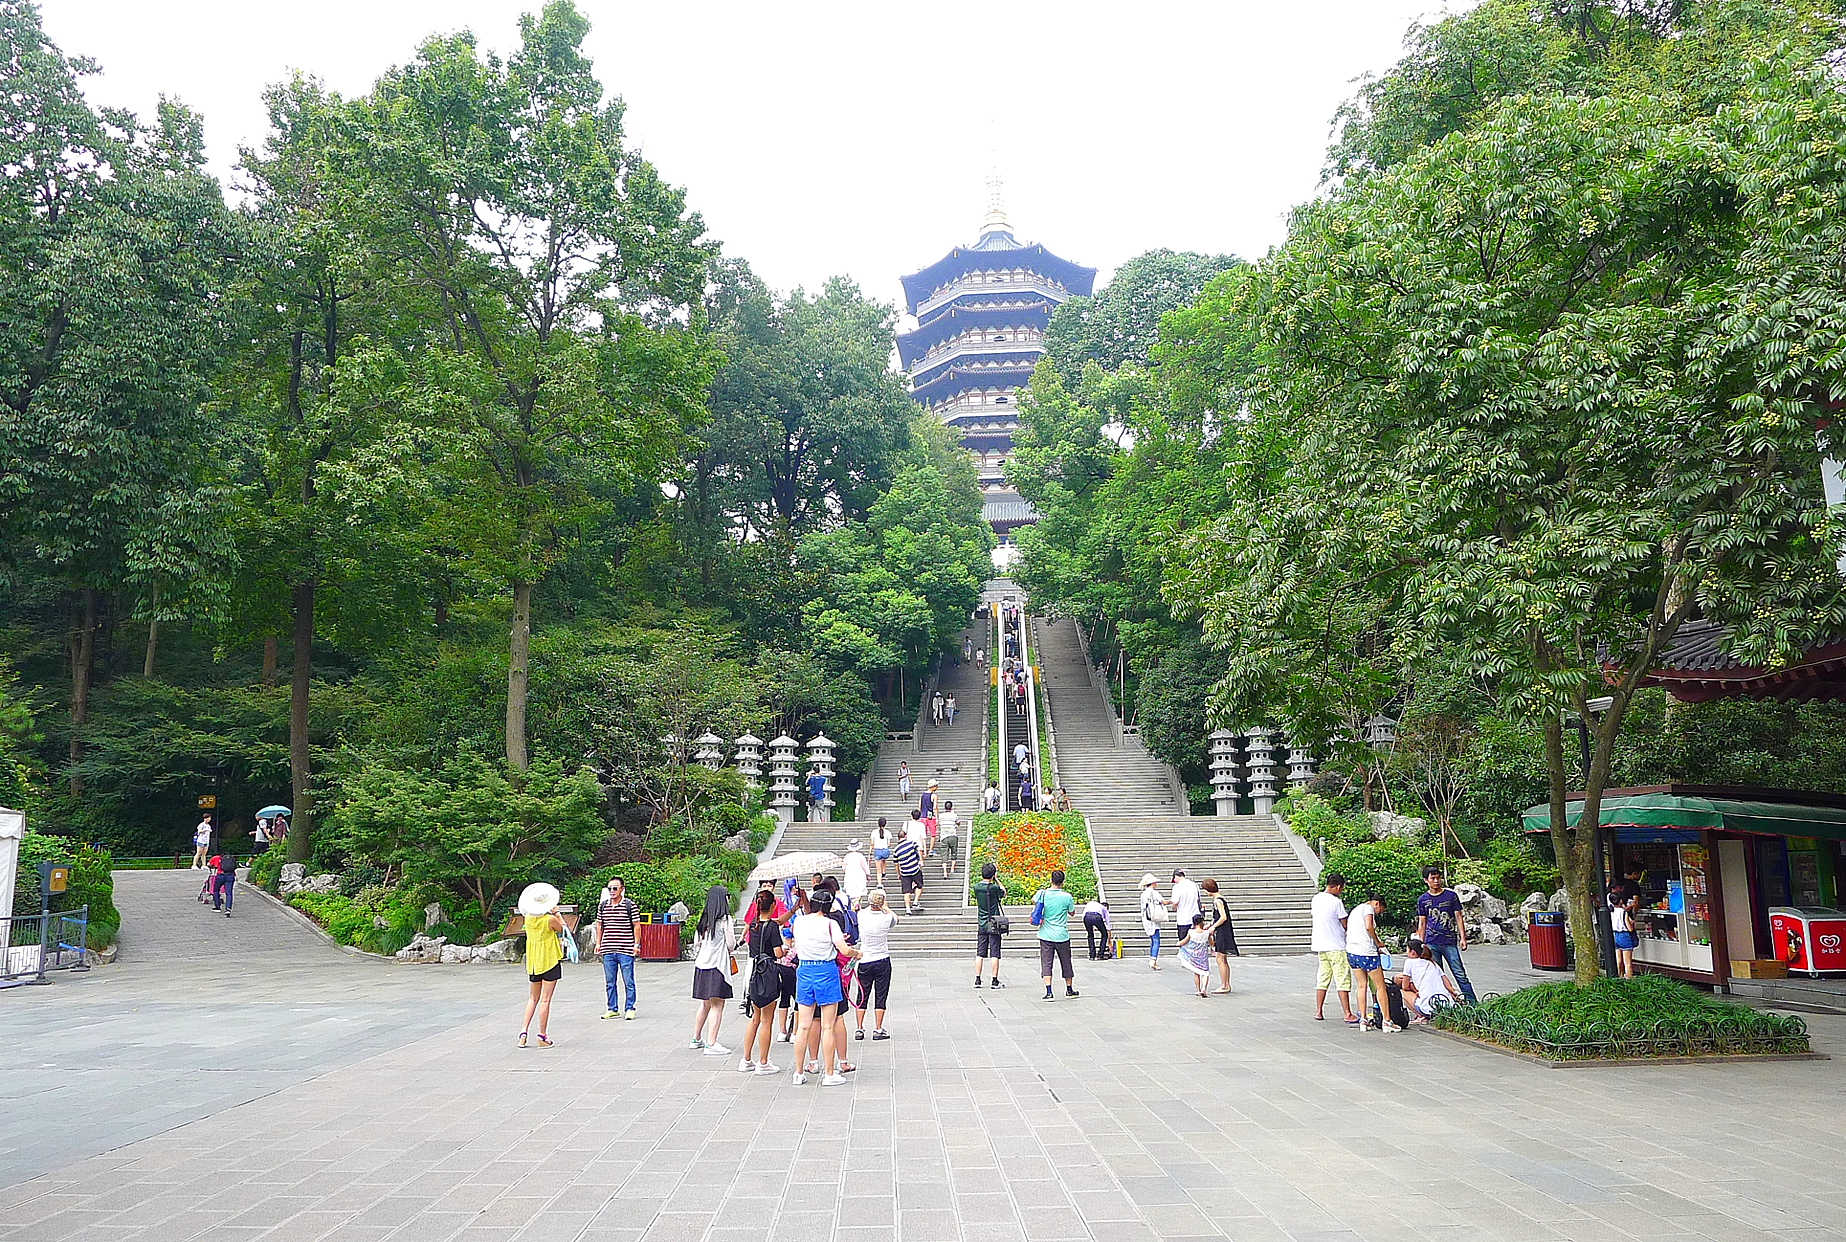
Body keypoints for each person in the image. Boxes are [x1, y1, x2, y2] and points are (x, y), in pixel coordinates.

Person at [790, 889, 858, 1086]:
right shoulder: (831, 924)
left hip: (804, 971)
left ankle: (799, 1072)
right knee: (828, 1025)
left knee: (803, 1025)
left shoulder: (799, 922)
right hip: (826, 971)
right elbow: (844, 950)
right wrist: (856, 952)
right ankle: (829, 1073)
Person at [1414, 867, 1477, 1003]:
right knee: (1436, 974)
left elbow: (1459, 917)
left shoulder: (1451, 896)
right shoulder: (1423, 900)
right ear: (1426, 880)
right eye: (1433, 878)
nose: (1436, 881)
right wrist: (1421, 942)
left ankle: (1472, 1003)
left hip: (1449, 941)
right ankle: (1443, 1003)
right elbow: (1422, 922)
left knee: (1460, 973)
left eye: (1438, 877)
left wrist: (1463, 938)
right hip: (1431, 942)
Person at [740, 890, 786, 1073]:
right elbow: (778, 953)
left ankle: (746, 1059)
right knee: (767, 1020)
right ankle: (763, 1062)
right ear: (773, 905)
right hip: (766, 974)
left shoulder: (753, 925)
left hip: (752, 973)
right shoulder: (772, 927)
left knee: (755, 1018)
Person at [688, 885, 737, 1056]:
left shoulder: (704, 921)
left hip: (702, 965)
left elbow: (697, 942)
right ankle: (711, 1042)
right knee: (718, 1004)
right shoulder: (725, 920)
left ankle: (696, 1038)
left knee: (705, 1003)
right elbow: (731, 945)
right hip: (717, 967)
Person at [518, 882, 565, 1049]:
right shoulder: (550, 919)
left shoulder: (528, 919)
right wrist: (557, 913)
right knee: (545, 1000)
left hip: (533, 962)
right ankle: (542, 1035)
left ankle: (523, 1033)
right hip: (550, 960)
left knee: (532, 998)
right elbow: (563, 929)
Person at [1347, 893, 1399, 1033]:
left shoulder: (1356, 909)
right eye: (1380, 909)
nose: (1379, 912)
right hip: (1367, 952)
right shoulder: (1368, 909)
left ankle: (1363, 1019)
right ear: (1377, 904)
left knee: (1361, 985)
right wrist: (1379, 943)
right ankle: (1387, 1021)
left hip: (1352, 951)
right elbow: (1369, 927)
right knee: (1380, 987)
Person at [1311, 872, 1357, 1024]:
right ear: (1338, 887)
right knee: (1342, 979)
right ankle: (1347, 1013)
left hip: (1320, 945)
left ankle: (1319, 1011)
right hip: (1336, 946)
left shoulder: (1316, 899)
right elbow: (1345, 924)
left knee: (1322, 978)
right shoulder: (1336, 902)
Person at [853, 889, 898, 1041]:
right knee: (881, 994)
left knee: (862, 994)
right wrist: (886, 907)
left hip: (865, 959)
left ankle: (859, 1028)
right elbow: (896, 919)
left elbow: (861, 911)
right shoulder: (887, 918)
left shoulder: (861, 915)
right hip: (882, 959)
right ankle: (878, 1028)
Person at [593, 877, 640, 1020]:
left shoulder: (629, 905)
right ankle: (612, 1008)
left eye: (615, 888)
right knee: (610, 981)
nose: (612, 891)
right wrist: (598, 943)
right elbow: (600, 925)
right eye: (609, 889)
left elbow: (637, 925)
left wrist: (636, 944)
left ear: (622, 889)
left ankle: (630, 1007)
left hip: (625, 948)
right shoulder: (603, 906)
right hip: (608, 948)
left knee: (628, 980)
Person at [1034, 869, 1078, 1000]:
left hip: (1045, 934)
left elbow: (1035, 901)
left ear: (1051, 880)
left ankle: (1049, 991)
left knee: (1047, 962)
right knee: (1066, 961)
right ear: (1063, 882)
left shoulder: (1042, 894)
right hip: (1062, 935)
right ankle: (1069, 989)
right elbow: (1072, 912)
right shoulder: (1066, 897)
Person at [1395, 938, 1460, 1022]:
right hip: (1446, 1006)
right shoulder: (1432, 963)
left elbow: (1405, 986)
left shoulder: (1409, 962)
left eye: (1407, 950)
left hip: (1428, 1007)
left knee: (1402, 992)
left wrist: (1415, 991)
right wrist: (1454, 992)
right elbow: (1448, 984)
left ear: (1413, 952)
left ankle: (1421, 1016)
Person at [1200, 878, 1237, 994]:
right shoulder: (1220, 899)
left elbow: (1223, 917)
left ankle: (1224, 985)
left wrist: (1213, 927)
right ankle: (1226, 984)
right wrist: (1210, 924)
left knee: (1220, 958)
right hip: (1224, 930)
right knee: (1223, 959)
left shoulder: (1217, 901)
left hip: (1222, 931)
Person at [973, 862, 1006, 988]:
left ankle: (977, 979)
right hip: (994, 923)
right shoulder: (994, 888)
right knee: (995, 953)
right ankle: (994, 980)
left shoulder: (977, 887)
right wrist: (997, 879)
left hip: (982, 923)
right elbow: (1004, 892)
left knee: (980, 953)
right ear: (992, 874)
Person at [893, 827, 925, 915]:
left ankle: (908, 909)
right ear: (905, 836)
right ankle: (915, 901)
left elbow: (896, 864)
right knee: (919, 885)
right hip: (915, 869)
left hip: (904, 872)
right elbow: (919, 849)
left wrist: (898, 873)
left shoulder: (896, 850)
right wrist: (921, 860)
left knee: (906, 891)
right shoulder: (911, 843)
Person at [1178, 914, 1212, 997]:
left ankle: (1198, 989)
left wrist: (1178, 944)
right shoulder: (1207, 933)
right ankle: (1204, 988)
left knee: (1196, 972)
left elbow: (1184, 941)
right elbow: (1212, 943)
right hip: (1203, 955)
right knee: (1205, 972)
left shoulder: (1191, 932)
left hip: (1194, 955)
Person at [1138, 874, 1167, 970]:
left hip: (1146, 917)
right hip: (1153, 918)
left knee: (1153, 939)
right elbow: (1163, 901)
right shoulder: (1154, 893)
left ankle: (1152, 959)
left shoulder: (1143, 894)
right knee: (1156, 940)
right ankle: (1153, 961)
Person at [1611, 887, 1638, 978]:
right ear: (1621, 901)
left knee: (1619, 960)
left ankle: (1620, 975)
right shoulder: (1623, 912)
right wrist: (1632, 924)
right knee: (1627, 962)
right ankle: (1629, 978)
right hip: (1624, 935)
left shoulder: (1610, 911)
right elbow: (1629, 928)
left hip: (1615, 935)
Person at [207, 851, 237, 916]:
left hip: (220, 875)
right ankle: (228, 908)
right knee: (229, 893)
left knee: (216, 890)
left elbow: (209, 865)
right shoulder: (232, 858)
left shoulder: (217, 858)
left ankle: (217, 906)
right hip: (230, 875)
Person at [843, 839, 870, 908]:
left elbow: (844, 867)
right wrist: (868, 874)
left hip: (849, 875)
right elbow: (865, 866)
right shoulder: (860, 856)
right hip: (859, 875)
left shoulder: (847, 856)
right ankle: (857, 905)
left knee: (851, 891)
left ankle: (853, 905)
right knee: (859, 890)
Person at [937, 801, 960, 879]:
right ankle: (952, 868)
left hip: (944, 837)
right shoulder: (954, 815)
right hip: (953, 835)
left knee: (944, 855)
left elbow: (938, 823)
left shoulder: (941, 816)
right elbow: (959, 823)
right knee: (954, 852)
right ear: (951, 807)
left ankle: (945, 872)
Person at [870, 819, 894, 886]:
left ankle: (879, 884)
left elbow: (872, 843)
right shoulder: (888, 832)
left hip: (877, 850)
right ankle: (884, 872)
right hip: (885, 851)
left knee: (878, 871)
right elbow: (889, 844)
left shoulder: (874, 832)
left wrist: (870, 852)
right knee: (883, 859)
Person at [919, 781, 938, 854]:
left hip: (923, 817)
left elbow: (919, 806)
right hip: (931, 817)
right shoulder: (934, 796)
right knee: (933, 834)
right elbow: (935, 807)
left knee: (924, 834)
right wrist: (936, 818)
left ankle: (924, 849)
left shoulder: (922, 795)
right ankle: (930, 850)